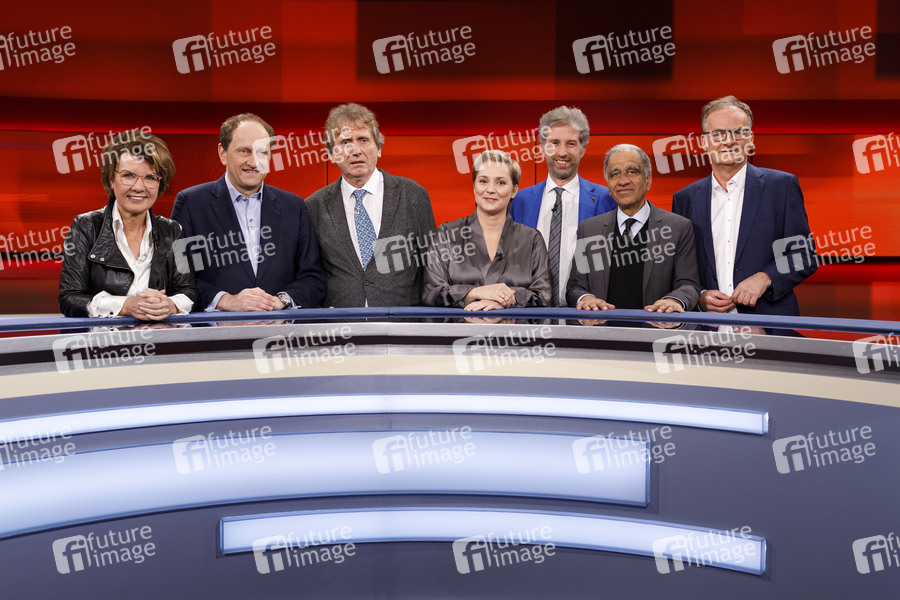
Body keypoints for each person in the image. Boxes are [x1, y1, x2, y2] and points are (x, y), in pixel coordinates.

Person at [672, 96, 817, 316]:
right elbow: (680, 267)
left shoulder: (782, 186)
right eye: (718, 134)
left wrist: (766, 277)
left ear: (751, 138)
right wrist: (699, 296)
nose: (729, 141)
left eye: (739, 132)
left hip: (770, 321)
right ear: (703, 142)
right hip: (707, 324)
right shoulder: (685, 199)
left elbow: (803, 255)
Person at [171, 113, 325, 311]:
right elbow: (180, 276)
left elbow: (312, 277)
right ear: (223, 153)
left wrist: (279, 301)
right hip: (216, 328)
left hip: (280, 327)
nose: (253, 162)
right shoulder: (191, 204)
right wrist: (226, 300)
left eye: (262, 152)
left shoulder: (294, 206)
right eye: (244, 151)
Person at [304, 103, 436, 307]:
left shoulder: (412, 195)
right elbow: (310, 274)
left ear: (379, 148)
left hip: (402, 322)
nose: (356, 150)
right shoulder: (314, 206)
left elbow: (432, 265)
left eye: (363, 140)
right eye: (345, 142)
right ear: (331, 154)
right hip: (341, 324)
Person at [59, 132, 197, 319]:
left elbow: (189, 291)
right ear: (111, 180)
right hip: (103, 337)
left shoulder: (174, 230)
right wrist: (124, 305)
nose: (139, 187)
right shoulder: (85, 226)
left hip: (160, 334)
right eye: (128, 175)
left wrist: (170, 305)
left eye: (150, 178)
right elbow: (69, 298)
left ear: (160, 183)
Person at [566, 144, 700, 313]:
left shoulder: (677, 228)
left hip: (656, 326)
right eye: (615, 174)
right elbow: (576, 287)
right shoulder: (590, 229)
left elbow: (688, 285)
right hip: (602, 327)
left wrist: (673, 300)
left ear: (648, 180)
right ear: (608, 185)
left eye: (632, 172)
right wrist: (585, 298)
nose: (623, 181)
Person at [510, 106, 615, 306]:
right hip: (528, 314)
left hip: (587, 313)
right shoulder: (519, 201)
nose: (562, 152)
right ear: (542, 147)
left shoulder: (606, 199)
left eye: (571, 144)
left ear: (583, 149)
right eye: (554, 143)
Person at [423, 150, 551, 310]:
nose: (490, 189)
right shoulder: (446, 235)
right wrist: (475, 292)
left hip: (515, 326)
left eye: (500, 183)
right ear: (474, 186)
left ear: (514, 190)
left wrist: (503, 299)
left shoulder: (532, 239)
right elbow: (431, 292)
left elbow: (543, 296)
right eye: (483, 181)